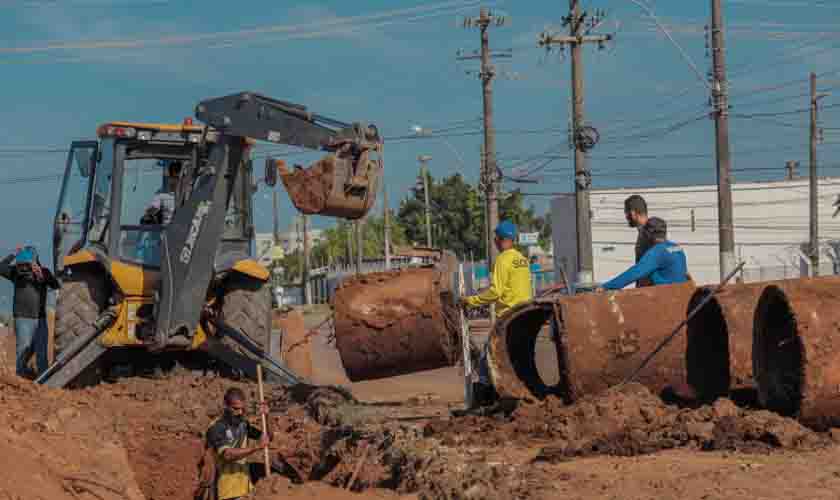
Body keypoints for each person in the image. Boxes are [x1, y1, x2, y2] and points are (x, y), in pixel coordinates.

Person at [460, 220, 533, 408]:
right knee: (517, 359)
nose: (494, 242)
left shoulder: (503, 260)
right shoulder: (522, 259)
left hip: (508, 318)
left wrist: (471, 301)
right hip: (525, 315)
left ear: (500, 240)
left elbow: (496, 292)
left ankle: (483, 401)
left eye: (495, 239)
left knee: (487, 358)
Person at [0, 246, 60, 378]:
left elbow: (55, 284)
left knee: (41, 351)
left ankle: (43, 380)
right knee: (23, 349)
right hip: (22, 319)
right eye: (22, 264)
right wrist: (13, 253)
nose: (24, 267)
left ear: (35, 261)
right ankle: (21, 377)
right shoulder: (15, 272)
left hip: (41, 319)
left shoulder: (43, 272)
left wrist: (42, 275)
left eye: (27, 264)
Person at [206, 387, 273, 500]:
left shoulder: (243, 425)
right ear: (226, 406)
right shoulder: (216, 427)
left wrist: (266, 417)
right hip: (226, 491)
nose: (240, 412)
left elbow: (267, 437)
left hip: (245, 489)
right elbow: (227, 455)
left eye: (242, 409)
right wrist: (256, 446)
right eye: (236, 409)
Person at [600, 218, 688, 291]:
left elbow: (634, 273)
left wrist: (605, 287)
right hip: (681, 297)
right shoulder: (677, 248)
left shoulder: (657, 252)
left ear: (648, 235)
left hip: (666, 300)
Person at [624, 195, 666, 288]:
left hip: (653, 291)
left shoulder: (652, 231)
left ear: (633, 213)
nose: (626, 217)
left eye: (626, 213)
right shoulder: (644, 232)